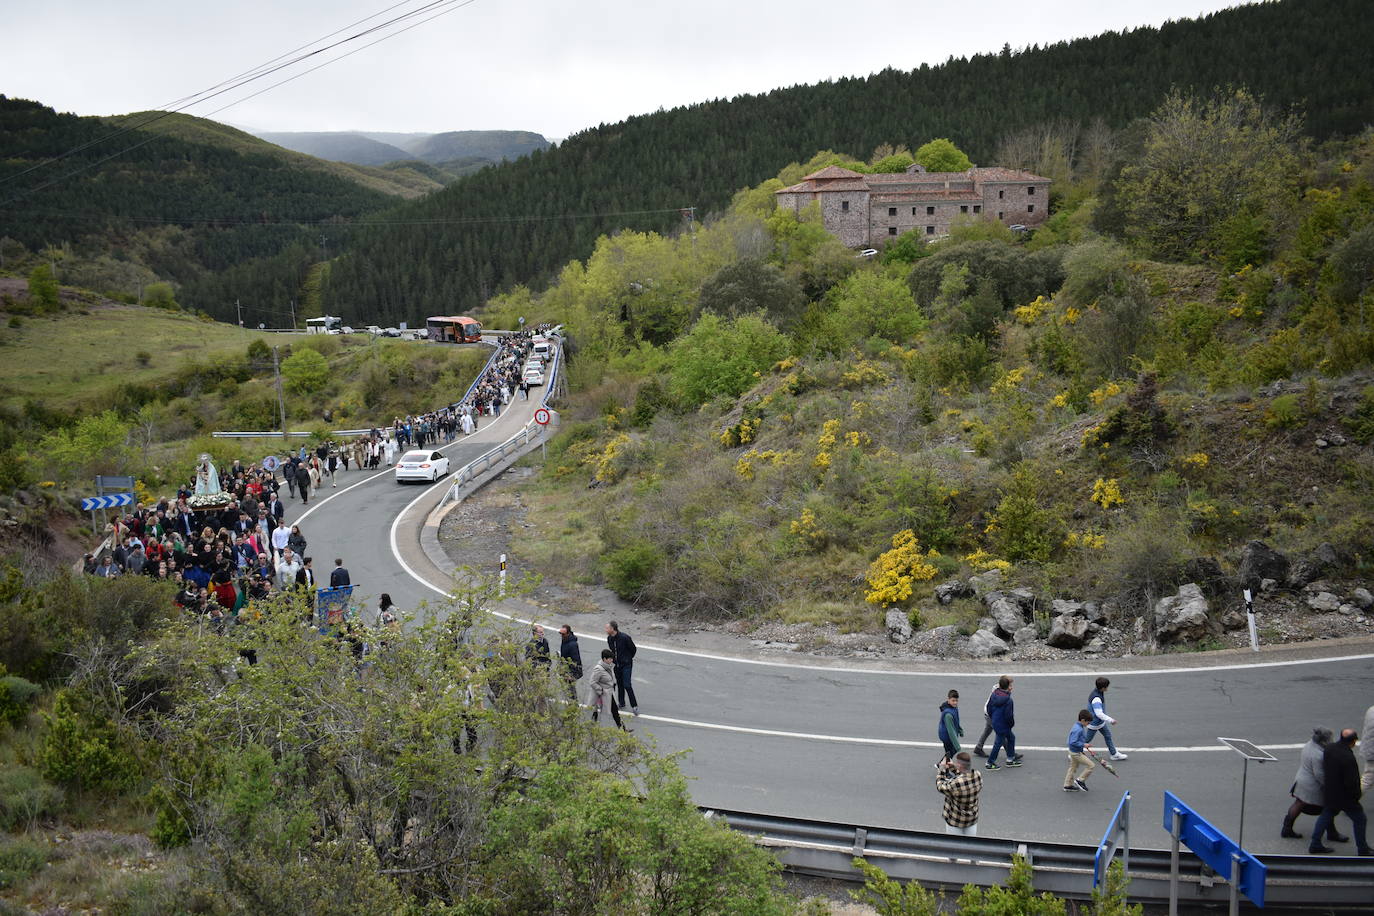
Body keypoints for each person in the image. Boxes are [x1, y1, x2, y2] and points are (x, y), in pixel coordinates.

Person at [1308, 728, 1372, 855]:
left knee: (1326, 816)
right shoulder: (1348, 757)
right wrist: (1356, 796)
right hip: (1346, 797)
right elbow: (1352, 782)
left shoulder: (1330, 749)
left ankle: (1315, 843)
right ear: (1353, 742)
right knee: (1360, 819)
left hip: (1331, 792)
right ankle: (1362, 848)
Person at [1284, 727, 1347, 842]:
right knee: (1327, 809)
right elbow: (1319, 775)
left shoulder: (1310, 744)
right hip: (1312, 786)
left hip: (1302, 780)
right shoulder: (1318, 755)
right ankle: (1332, 833)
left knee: (1299, 803)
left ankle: (1287, 828)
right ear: (1323, 741)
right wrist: (1331, 786)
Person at [935, 752, 982, 835]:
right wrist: (954, 768)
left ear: (960, 765)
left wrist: (941, 770)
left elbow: (940, 787)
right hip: (971, 819)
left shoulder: (956, 784)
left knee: (955, 845)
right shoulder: (977, 775)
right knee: (970, 845)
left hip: (956, 821)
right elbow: (964, 778)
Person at [588, 649, 630, 732]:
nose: (612, 660)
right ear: (604, 659)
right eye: (610, 659)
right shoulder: (599, 669)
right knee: (610, 710)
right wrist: (601, 690)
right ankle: (622, 729)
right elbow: (592, 682)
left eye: (612, 658)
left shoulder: (609, 666)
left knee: (610, 710)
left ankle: (593, 726)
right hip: (603, 693)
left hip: (608, 693)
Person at [985, 676, 1022, 770]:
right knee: (998, 743)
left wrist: (993, 718)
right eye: (1010, 685)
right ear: (1007, 687)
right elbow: (1009, 716)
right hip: (1003, 725)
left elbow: (989, 708)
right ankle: (990, 762)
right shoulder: (1008, 700)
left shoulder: (994, 695)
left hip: (996, 722)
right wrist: (1011, 724)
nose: (1012, 687)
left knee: (1011, 738)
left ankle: (1010, 758)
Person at [1087, 676, 1128, 761]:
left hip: (1099, 723)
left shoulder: (1098, 692)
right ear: (1102, 688)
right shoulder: (1097, 699)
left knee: (1108, 736)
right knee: (1086, 740)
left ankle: (1114, 754)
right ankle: (1074, 753)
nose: (1107, 689)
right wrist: (1111, 720)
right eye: (1106, 687)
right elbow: (1099, 714)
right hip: (1094, 723)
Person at [605, 620, 639, 715]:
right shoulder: (609, 638)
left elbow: (633, 649)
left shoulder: (625, 637)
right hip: (617, 665)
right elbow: (612, 651)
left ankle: (634, 706)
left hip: (626, 664)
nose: (605, 630)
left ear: (612, 629)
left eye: (607, 628)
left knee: (627, 685)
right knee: (619, 684)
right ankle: (621, 703)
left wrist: (627, 658)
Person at [1064, 709, 1095, 792]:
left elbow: (1070, 741)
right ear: (1083, 720)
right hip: (1076, 753)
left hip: (1073, 751)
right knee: (1091, 765)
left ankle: (1067, 785)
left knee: (1072, 768)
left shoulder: (1076, 726)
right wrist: (1084, 745)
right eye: (1088, 723)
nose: (1088, 725)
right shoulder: (1079, 729)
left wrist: (1081, 748)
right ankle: (1080, 780)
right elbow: (1073, 742)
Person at [972, 679, 999, 758]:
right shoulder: (998, 694)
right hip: (990, 715)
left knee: (988, 730)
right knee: (1001, 734)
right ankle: (1010, 753)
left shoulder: (998, 688)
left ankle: (978, 747)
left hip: (988, 713)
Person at [558, 625, 583, 702]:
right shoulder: (565, 640)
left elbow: (576, 660)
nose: (561, 636)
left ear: (568, 633)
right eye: (561, 634)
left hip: (570, 671)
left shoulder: (572, 645)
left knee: (571, 689)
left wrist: (571, 674)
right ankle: (571, 703)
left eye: (563, 634)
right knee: (568, 689)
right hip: (565, 669)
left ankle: (573, 704)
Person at [937, 690, 962, 765]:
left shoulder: (954, 708)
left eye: (956, 700)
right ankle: (944, 768)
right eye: (953, 700)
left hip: (947, 735)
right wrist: (957, 745)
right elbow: (951, 732)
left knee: (949, 753)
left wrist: (960, 729)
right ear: (948, 700)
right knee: (951, 751)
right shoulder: (948, 715)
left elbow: (956, 721)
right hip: (947, 737)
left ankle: (941, 764)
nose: (955, 702)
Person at [1363, 705, 1374, 792]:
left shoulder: (1371, 710)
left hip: (1368, 749)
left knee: (1366, 779)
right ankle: (1349, 800)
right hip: (1372, 752)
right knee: (1368, 779)